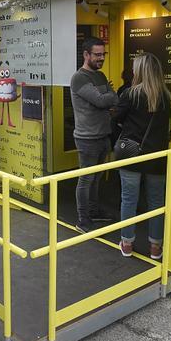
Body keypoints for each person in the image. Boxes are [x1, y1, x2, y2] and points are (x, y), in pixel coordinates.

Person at [112, 54, 171, 259]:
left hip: (131, 155)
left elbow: (115, 118)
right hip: (158, 157)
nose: (133, 71)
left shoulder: (131, 94)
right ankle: (156, 247)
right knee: (156, 201)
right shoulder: (167, 96)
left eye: (136, 68)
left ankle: (127, 243)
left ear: (142, 71)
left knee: (128, 199)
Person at [70, 36, 118, 233]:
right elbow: (102, 100)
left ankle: (94, 211)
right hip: (87, 138)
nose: (101, 58)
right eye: (97, 55)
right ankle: (83, 220)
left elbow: (112, 99)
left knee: (97, 178)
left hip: (102, 135)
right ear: (86, 55)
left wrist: (109, 97)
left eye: (103, 54)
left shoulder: (100, 76)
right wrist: (109, 96)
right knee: (86, 179)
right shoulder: (79, 77)